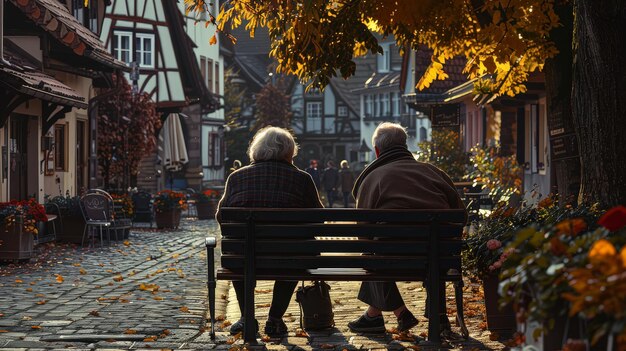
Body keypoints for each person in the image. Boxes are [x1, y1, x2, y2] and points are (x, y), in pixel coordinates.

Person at [347, 122, 467, 334]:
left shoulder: (373, 178)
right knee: (434, 247)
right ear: (405, 145)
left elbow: (363, 231)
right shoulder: (433, 173)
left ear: (377, 151)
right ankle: (438, 317)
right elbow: (461, 215)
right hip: (437, 257)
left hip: (391, 260)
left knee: (371, 254)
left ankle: (393, 314)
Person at [216, 126, 323, 337]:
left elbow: (222, 216)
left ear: (257, 150)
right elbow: (319, 218)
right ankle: (274, 319)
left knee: (238, 254)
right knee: (293, 256)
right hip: (291, 257)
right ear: (289, 152)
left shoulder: (236, 178)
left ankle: (247, 318)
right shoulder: (302, 179)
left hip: (244, 256)